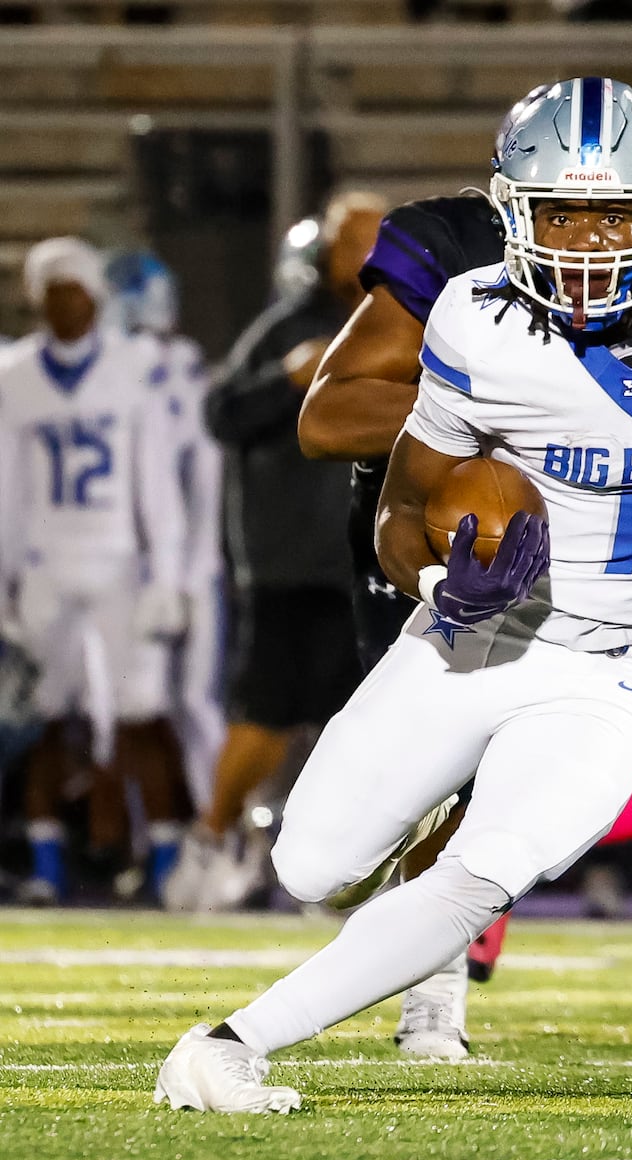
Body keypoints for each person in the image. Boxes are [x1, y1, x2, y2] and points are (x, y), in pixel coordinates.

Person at [151, 78, 632, 1114]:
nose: (587, 244)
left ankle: (233, 1044)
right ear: (511, 211)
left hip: (617, 664)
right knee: (308, 868)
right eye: (558, 212)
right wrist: (439, 581)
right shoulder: (476, 317)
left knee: (486, 866)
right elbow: (396, 505)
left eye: (612, 214)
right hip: (474, 634)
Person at [162, 193, 385, 912]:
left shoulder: (406, 326)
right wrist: (287, 379)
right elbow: (220, 414)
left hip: (372, 557)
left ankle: (335, 864)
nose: (369, 257)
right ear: (326, 253)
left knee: (361, 721)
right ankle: (212, 839)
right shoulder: (287, 328)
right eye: (356, 243)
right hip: (287, 555)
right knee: (263, 715)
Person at [0, 237, 188, 904]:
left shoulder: (134, 366)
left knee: (142, 715)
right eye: (51, 293)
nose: (64, 305)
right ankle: (47, 863)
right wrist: (6, 582)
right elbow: (7, 489)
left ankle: (167, 858)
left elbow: (157, 483)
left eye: (74, 291)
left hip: (117, 562)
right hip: (47, 564)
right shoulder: (15, 373)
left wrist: (165, 575)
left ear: (96, 296)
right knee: (49, 718)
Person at [106, 250, 227, 826]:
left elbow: (182, 475)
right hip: (187, 564)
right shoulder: (183, 363)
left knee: (161, 709)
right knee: (182, 708)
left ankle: (204, 834)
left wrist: (173, 570)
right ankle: (202, 834)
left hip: (157, 566)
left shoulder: (154, 365)